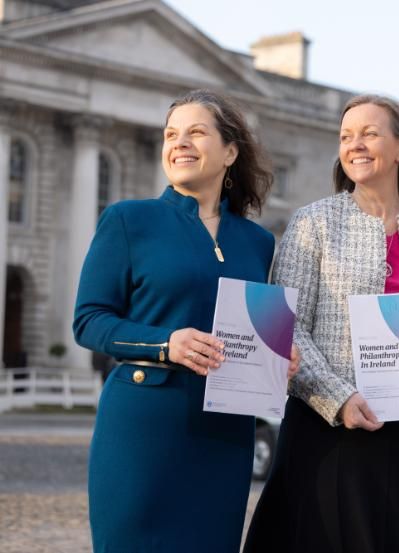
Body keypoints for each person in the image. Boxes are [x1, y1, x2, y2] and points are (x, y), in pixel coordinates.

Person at [244, 94, 399, 553]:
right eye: (346, 136)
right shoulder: (313, 222)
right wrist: (338, 397)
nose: (355, 144)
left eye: (369, 133)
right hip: (328, 431)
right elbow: (286, 328)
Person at [74, 89, 299, 552]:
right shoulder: (128, 220)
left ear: (230, 152)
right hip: (143, 428)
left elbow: (251, 326)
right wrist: (165, 343)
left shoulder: (257, 241)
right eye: (171, 134)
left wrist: (278, 356)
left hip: (226, 435)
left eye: (197, 132)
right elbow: (89, 320)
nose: (180, 143)